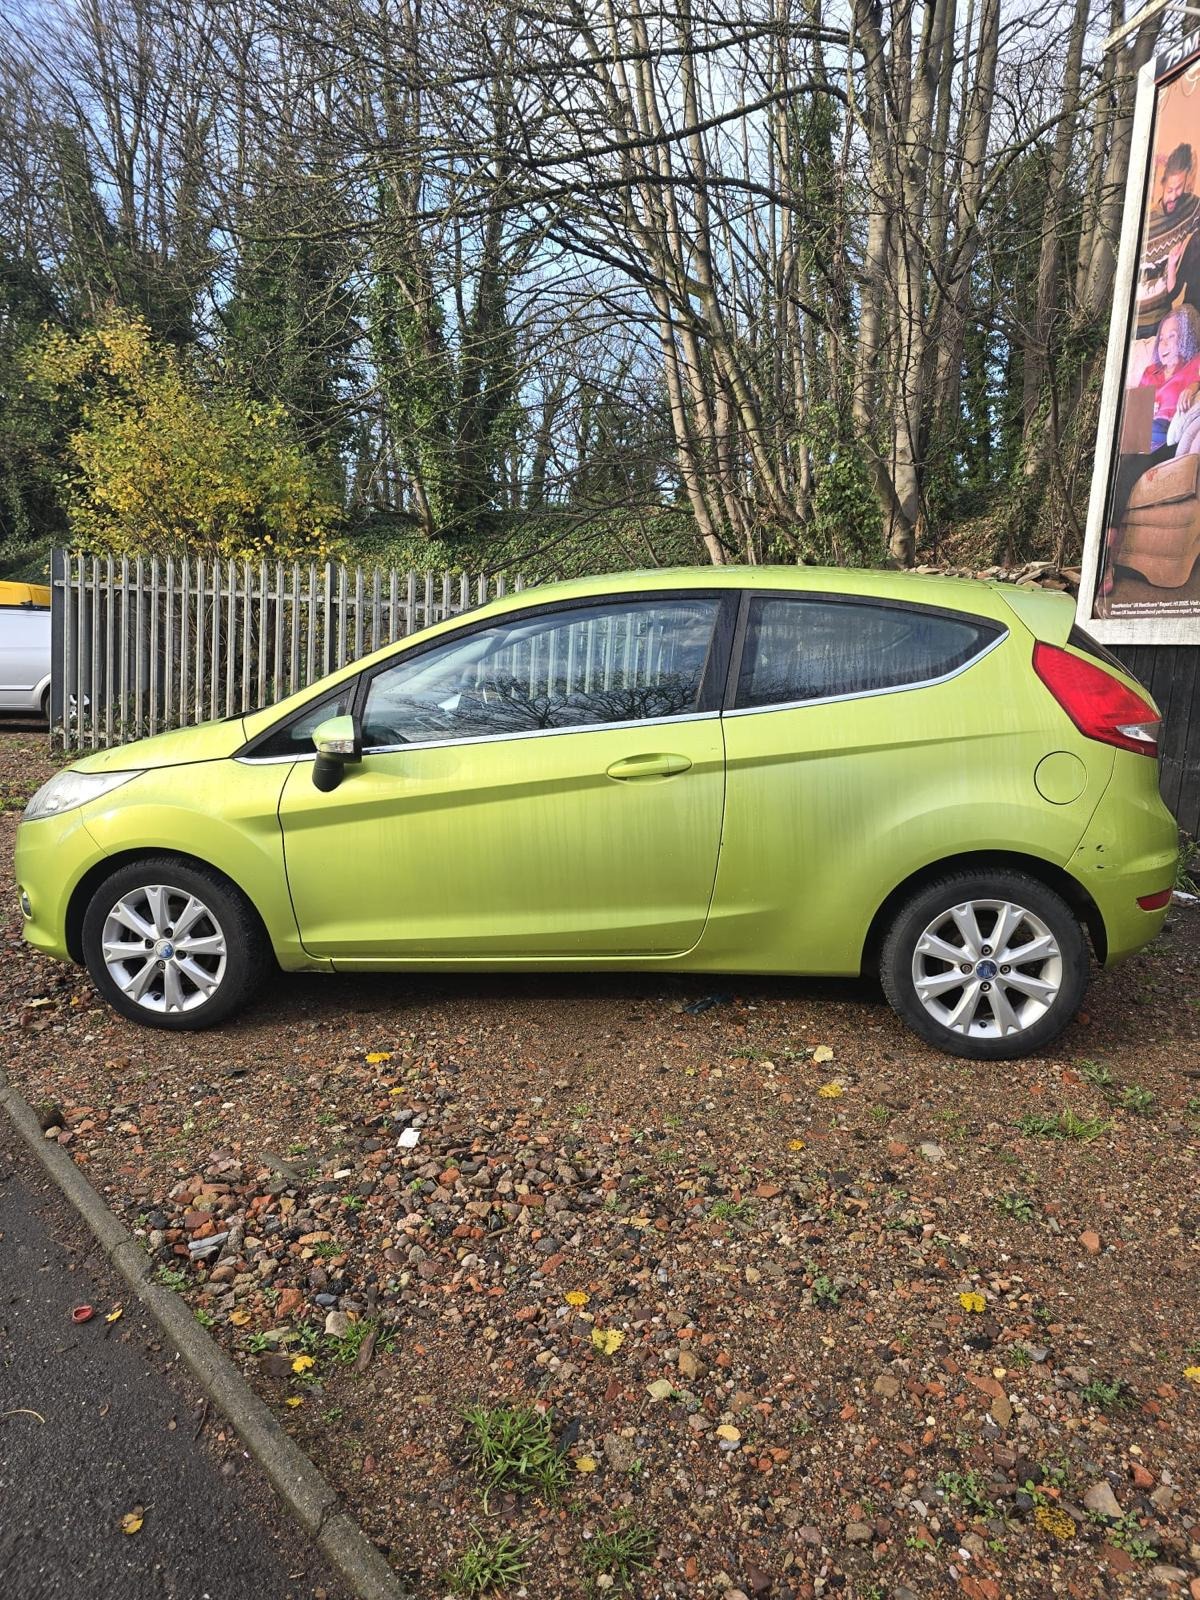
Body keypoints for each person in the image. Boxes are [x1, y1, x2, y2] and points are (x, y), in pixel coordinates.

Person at [1099, 304, 1200, 604]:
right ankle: (1103, 556)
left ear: (1187, 338)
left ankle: (1107, 565)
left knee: (1126, 468)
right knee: (1119, 465)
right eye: (1162, 338)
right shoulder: (1149, 372)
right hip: (1143, 437)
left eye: (1173, 337)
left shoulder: (1195, 364)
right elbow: (1137, 420)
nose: (1165, 344)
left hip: (1168, 440)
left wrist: (1195, 386)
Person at [1137, 142, 1200, 332]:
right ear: (1163, 183)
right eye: (1170, 190)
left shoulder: (1191, 206)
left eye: (1179, 188)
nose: (1174, 196)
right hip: (1137, 319)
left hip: (1162, 318)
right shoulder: (1148, 221)